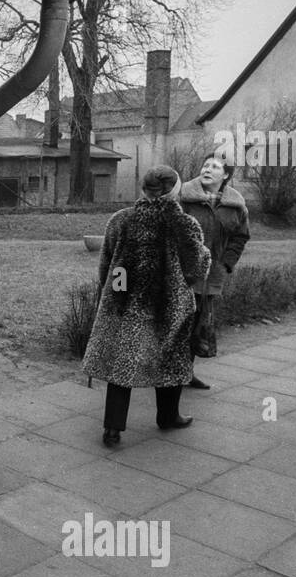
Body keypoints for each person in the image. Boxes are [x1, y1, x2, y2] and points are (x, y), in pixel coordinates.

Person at [83, 166, 211, 446]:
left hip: (126, 303)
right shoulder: (185, 224)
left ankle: (113, 429)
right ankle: (168, 417)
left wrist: (116, 295)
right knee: (171, 361)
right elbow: (195, 272)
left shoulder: (121, 220)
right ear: (175, 191)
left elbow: (107, 266)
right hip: (170, 305)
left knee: (123, 364)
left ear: (143, 189)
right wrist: (205, 254)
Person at [179, 153, 251, 388]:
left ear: (226, 175)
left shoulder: (236, 205)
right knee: (178, 322)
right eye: (205, 164)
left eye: (215, 167)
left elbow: (241, 236)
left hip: (212, 275)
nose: (207, 169)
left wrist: (227, 262)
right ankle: (170, 373)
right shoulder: (184, 197)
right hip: (183, 272)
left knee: (198, 323)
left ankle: (186, 373)